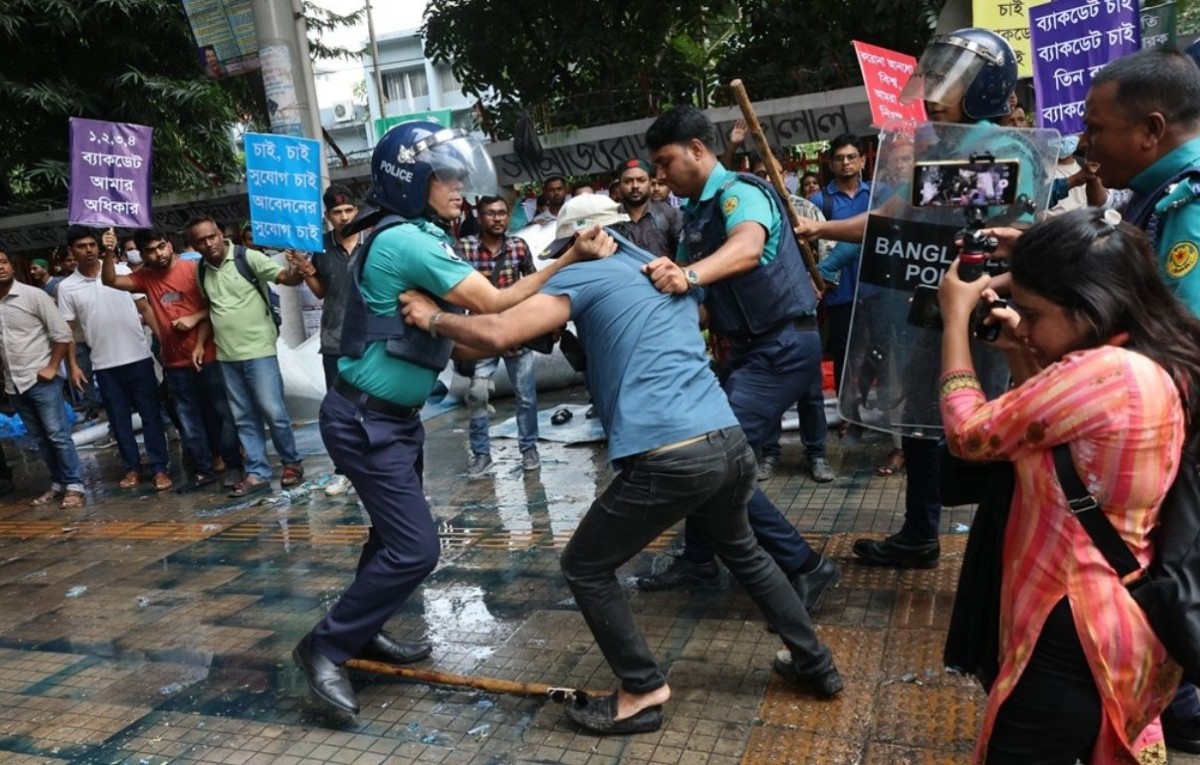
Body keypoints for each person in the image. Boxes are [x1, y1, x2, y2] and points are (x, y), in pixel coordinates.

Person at [399, 194, 844, 735]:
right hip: (727, 441)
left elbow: (495, 335)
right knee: (745, 551)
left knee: (585, 565)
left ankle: (642, 688)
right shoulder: (663, 272)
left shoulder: (585, 274)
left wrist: (432, 316)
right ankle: (815, 662)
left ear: (583, 240)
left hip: (670, 456)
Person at [291, 121, 606, 716]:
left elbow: (464, 343)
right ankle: (324, 647)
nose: (461, 189)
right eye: (446, 178)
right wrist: (567, 258)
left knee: (391, 537)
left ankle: (361, 630)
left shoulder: (410, 237)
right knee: (416, 550)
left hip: (393, 419)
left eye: (462, 176)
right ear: (411, 182)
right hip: (366, 421)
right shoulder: (409, 240)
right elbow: (494, 302)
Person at [937, 208, 1192, 764]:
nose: (1023, 326)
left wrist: (954, 321)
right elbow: (1060, 445)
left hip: (1074, 624)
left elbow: (970, 436)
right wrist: (1020, 351)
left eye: (1033, 313)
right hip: (1115, 607)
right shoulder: (1145, 352)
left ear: (1089, 307)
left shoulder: (1102, 373)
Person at [796, 27, 1027, 571]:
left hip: (982, 313)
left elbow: (995, 214)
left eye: (951, 82)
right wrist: (824, 227)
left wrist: (923, 181)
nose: (932, 93)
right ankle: (920, 532)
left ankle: (996, 547)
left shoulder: (1007, 146)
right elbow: (893, 215)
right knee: (922, 423)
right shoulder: (937, 145)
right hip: (928, 309)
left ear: (984, 90)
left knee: (982, 425)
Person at [635, 105, 841, 608]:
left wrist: (689, 275)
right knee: (701, 458)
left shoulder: (740, 194)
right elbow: (699, 300)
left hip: (782, 346)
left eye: (665, 162)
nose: (659, 176)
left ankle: (807, 565)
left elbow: (748, 249)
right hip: (749, 350)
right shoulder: (695, 216)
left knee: (713, 464)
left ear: (698, 151)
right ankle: (700, 560)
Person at [101, 229, 243, 490]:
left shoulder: (194, 269)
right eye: (151, 251)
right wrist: (109, 252)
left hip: (210, 355)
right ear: (143, 255)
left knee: (223, 414)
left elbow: (214, 306)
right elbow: (110, 280)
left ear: (170, 245)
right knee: (188, 420)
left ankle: (233, 465)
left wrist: (199, 342)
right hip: (175, 362)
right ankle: (202, 471)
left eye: (161, 246)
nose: (158, 253)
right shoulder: (145, 277)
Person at [187, 215, 308, 497]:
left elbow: (285, 278)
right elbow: (212, 308)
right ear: (194, 245)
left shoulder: (247, 257)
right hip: (227, 356)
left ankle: (291, 463)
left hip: (259, 350)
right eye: (201, 241)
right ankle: (257, 472)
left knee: (273, 411)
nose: (208, 244)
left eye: (211, 236)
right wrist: (201, 344)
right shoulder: (200, 270)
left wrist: (298, 267)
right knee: (243, 417)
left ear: (220, 233)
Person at [58, 226, 173, 491]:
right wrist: (73, 365)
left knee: (151, 415)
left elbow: (145, 307)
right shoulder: (66, 288)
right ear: (71, 251)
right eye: (81, 246)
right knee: (118, 420)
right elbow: (66, 331)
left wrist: (165, 345)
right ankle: (131, 468)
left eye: (91, 244)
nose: (88, 250)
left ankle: (159, 468)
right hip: (104, 364)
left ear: (99, 247)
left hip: (138, 356)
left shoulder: (121, 272)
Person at [456, 194, 541, 476]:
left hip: (517, 331)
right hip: (481, 334)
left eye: (502, 213)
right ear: (480, 217)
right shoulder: (465, 248)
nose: (498, 218)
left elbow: (532, 282)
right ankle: (481, 454)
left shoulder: (518, 247)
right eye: (491, 213)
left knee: (526, 397)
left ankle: (529, 449)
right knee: (478, 394)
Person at [0, 249, 83, 508]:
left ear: (12, 266)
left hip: (42, 379)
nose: (0, 267)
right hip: (14, 383)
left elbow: (62, 334)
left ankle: (74, 484)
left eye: (3, 262)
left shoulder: (33, 296)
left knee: (57, 434)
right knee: (39, 438)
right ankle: (58, 483)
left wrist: (52, 366)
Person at [298, 185, 364, 498]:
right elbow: (322, 292)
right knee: (340, 412)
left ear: (357, 212)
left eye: (349, 210)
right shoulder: (320, 247)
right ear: (327, 216)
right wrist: (308, 271)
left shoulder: (374, 242)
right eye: (337, 212)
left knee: (378, 408)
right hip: (335, 340)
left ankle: (380, 468)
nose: (343, 217)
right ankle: (345, 471)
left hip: (374, 339)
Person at [616, 158, 682, 260]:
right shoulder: (611, 219)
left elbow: (685, 255)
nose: (635, 186)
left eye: (641, 180)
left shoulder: (670, 214)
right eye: (628, 181)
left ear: (650, 183)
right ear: (619, 185)